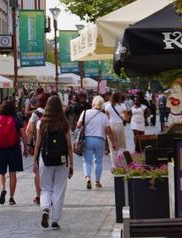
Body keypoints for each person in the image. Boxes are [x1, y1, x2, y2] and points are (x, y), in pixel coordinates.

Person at [34, 94, 74, 229]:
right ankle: (55, 220)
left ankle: (45, 208)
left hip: (45, 159)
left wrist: (34, 160)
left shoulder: (42, 123)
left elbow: (38, 144)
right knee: (59, 189)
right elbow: (69, 145)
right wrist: (71, 164)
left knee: (45, 188)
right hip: (62, 160)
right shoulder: (64, 124)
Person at [0, 99, 25, 205]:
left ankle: (3, 188)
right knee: (13, 174)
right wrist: (27, 146)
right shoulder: (16, 119)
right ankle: (11, 198)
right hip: (14, 149)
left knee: (0, 172)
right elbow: (23, 134)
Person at [76, 96, 114, 189]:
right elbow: (108, 131)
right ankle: (97, 181)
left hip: (88, 139)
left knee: (87, 161)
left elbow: (78, 125)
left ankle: (88, 177)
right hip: (100, 140)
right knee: (98, 161)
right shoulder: (104, 116)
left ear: (93, 103)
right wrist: (113, 142)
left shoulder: (85, 112)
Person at [24, 94, 47, 205]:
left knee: (37, 171)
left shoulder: (36, 114)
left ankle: (38, 196)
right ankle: (49, 196)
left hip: (39, 144)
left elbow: (29, 130)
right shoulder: (55, 112)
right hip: (54, 147)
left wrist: (28, 145)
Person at [107, 92, 131, 163]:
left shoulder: (108, 106)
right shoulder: (123, 106)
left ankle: (114, 165)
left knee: (112, 146)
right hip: (120, 125)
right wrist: (125, 117)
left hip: (110, 125)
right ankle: (119, 159)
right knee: (122, 146)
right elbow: (127, 119)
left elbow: (106, 118)